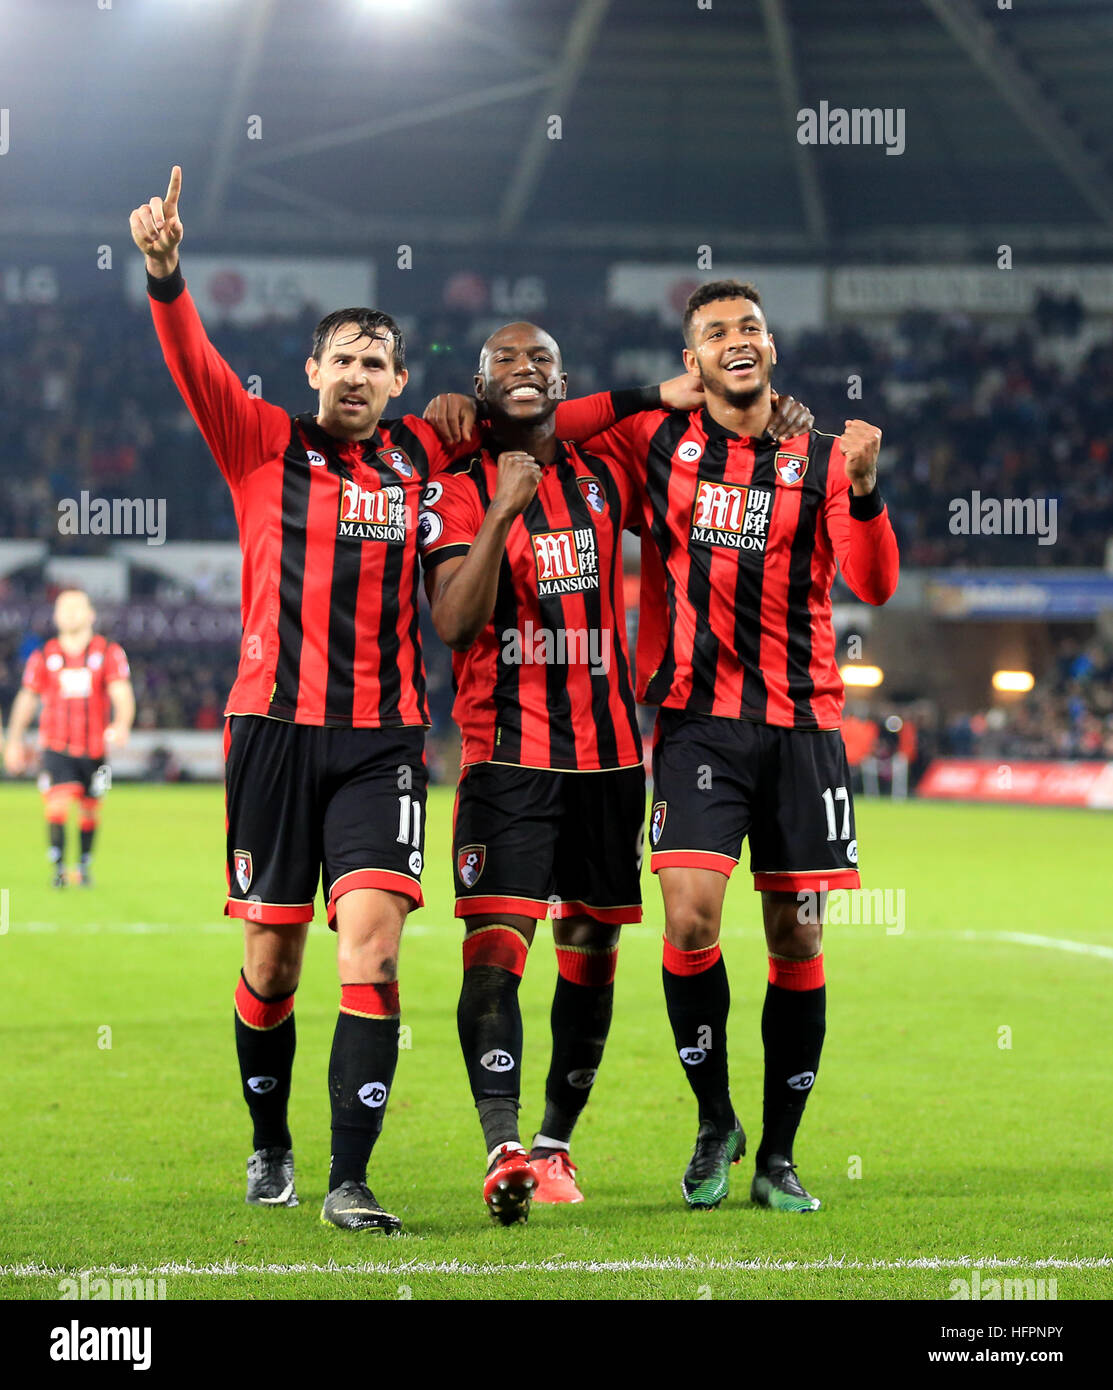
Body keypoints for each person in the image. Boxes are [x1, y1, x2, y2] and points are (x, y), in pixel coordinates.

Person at [129, 165, 490, 1233]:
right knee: (272, 960)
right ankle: (270, 1142)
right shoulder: (261, 441)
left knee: (371, 948)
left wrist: (672, 400)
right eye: (342, 359)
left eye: (376, 363)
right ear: (312, 370)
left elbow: (536, 412)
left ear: (399, 380)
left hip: (382, 743)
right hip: (272, 734)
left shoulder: (424, 452)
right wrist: (166, 275)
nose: (357, 376)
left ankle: (350, 1178)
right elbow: (193, 362)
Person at [422, 328, 812, 1222]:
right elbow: (453, 624)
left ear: (564, 381)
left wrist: (774, 421)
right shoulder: (454, 483)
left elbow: (708, 465)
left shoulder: (606, 468)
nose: (524, 370)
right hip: (505, 756)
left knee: (591, 949)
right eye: (504, 362)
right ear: (477, 386)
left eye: (540, 360)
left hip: (608, 760)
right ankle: (501, 1146)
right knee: (495, 951)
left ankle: (553, 1146)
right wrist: (502, 512)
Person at [548, 279, 899, 1213]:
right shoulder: (655, 440)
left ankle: (778, 1155)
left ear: (771, 347)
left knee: (797, 932)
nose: (735, 339)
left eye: (749, 327)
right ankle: (715, 1119)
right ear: (691, 359)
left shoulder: (822, 457)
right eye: (713, 333)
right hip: (696, 721)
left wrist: (866, 490)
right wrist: (644, 395)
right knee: (690, 920)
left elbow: (874, 582)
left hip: (803, 725)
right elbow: (546, 424)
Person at [4, 589, 134, 887]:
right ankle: (59, 870)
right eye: (64, 607)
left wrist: (122, 723)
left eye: (77, 606)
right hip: (55, 746)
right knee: (57, 803)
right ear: (55, 616)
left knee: (90, 808)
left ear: (91, 614)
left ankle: (84, 867)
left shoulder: (109, 652)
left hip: (95, 748)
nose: (70, 612)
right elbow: (27, 698)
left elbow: (122, 692)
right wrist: (14, 741)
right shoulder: (44, 655)